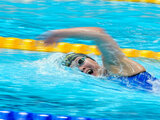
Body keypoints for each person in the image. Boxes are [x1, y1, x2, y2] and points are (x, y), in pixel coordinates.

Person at [40, 27, 157, 90]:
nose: (82, 68)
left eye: (80, 61)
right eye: (77, 69)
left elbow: (99, 34)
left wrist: (59, 33)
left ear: (92, 60)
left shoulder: (114, 66)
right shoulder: (107, 81)